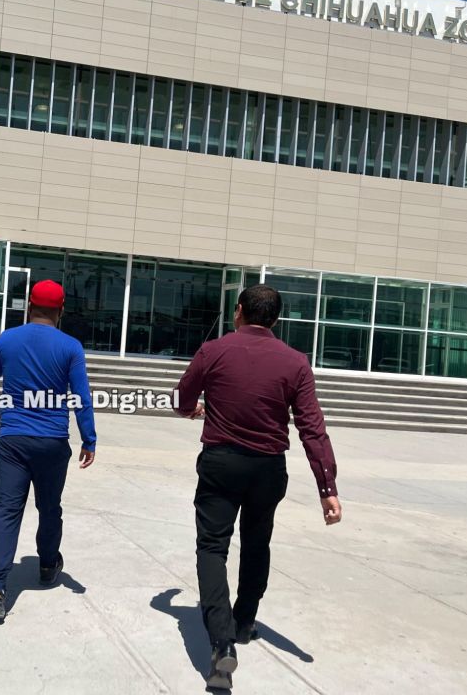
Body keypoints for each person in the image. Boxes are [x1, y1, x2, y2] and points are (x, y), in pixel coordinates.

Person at [175, 284, 341, 691]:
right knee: (256, 543)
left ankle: (221, 642)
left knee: (212, 547)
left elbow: (181, 398)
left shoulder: (214, 350)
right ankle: (244, 620)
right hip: (267, 468)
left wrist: (192, 409)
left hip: (221, 463)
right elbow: (312, 427)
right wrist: (327, 487)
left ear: (238, 311)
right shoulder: (296, 362)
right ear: (276, 319)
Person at [0, 279, 97, 623]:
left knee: (5, 510)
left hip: (13, 440)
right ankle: (47, 565)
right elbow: (81, 397)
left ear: (30, 305)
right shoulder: (71, 347)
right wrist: (89, 439)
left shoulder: (7, 339)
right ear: (61, 310)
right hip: (52, 442)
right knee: (49, 507)